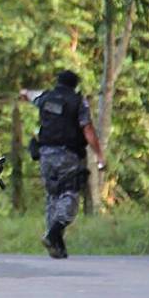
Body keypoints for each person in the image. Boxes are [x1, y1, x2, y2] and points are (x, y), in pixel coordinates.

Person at [21, 70, 106, 259]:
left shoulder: (46, 97)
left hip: (45, 154)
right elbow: (88, 129)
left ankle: (56, 245)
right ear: (75, 85)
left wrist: (23, 93)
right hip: (68, 154)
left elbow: (27, 94)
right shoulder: (78, 102)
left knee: (53, 195)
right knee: (70, 193)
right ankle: (54, 232)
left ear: (57, 82)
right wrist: (99, 155)